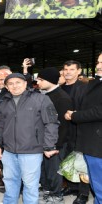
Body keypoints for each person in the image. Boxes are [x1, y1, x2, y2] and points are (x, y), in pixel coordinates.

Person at [0, 73, 59, 204]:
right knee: (10, 181)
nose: (14, 86)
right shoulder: (4, 102)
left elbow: (51, 123)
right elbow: (0, 125)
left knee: (30, 184)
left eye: (18, 82)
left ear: (25, 84)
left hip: (31, 151)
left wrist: (49, 146)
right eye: (10, 84)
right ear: (6, 86)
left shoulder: (41, 99)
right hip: (9, 151)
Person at [65, 53, 102, 204]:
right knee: (97, 184)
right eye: (98, 62)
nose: (98, 66)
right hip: (92, 142)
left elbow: (99, 111)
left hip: (97, 144)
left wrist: (75, 116)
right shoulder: (96, 82)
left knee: (99, 186)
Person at [36, 68, 73, 204]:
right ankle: (46, 190)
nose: (38, 82)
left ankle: (57, 195)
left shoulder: (62, 98)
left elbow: (63, 125)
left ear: (51, 80)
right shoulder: (44, 94)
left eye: (41, 79)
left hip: (56, 142)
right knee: (45, 168)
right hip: (43, 140)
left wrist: (55, 145)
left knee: (53, 170)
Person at [60, 60, 90, 204]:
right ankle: (72, 186)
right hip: (64, 132)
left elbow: (89, 110)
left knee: (81, 163)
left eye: (71, 69)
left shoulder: (85, 88)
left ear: (79, 71)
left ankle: (83, 193)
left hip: (79, 130)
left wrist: (75, 114)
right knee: (68, 160)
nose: (68, 72)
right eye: (66, 69)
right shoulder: (60, 88)